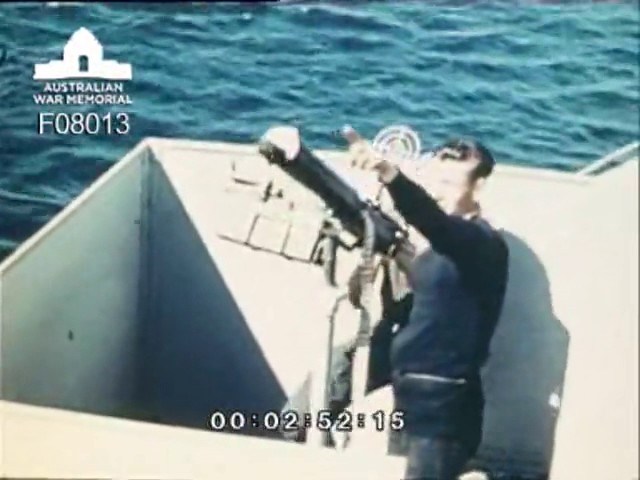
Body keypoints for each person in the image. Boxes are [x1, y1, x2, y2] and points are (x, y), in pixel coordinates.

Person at [345, 131, 510, 480]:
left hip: (443, 409)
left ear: (478, 187)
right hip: (410, 398)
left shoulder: (483, 243)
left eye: (448, 183)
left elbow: (435, 223)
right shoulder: (436, 252)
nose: (437, 192)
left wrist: (389, 174)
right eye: (434, 182)